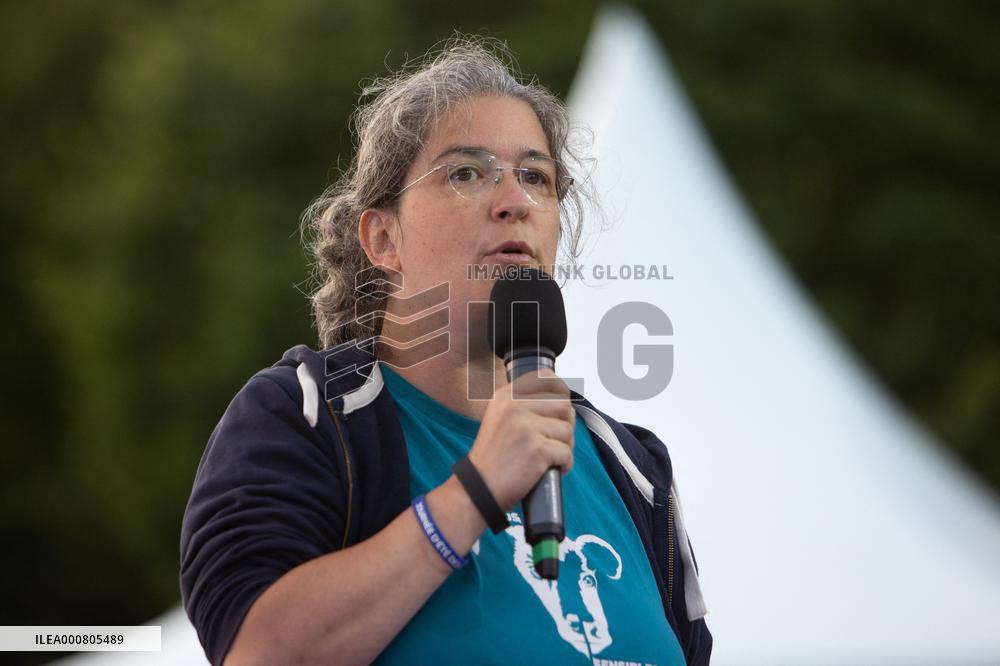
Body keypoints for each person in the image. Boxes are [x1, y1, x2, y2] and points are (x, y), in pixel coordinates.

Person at [180, 37, 711, 665]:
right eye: (466, 172)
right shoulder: (307, 418)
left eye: (536, 177)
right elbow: (259, 654)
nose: (514, 201)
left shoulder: (634, 469)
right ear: (383, 238)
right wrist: (476, 491)